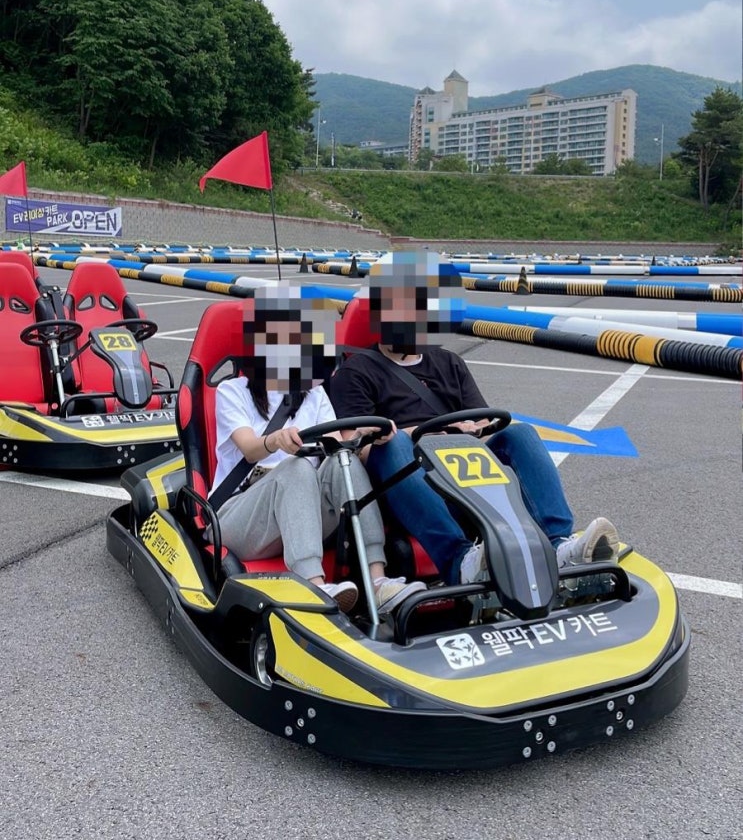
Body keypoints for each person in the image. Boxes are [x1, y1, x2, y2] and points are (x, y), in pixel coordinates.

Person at [327, 252, 619, 613]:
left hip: (465, 471)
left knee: (521, 434)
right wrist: (421, 434)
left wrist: (469, 430)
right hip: (407, 480)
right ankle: (460, 560)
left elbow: (483, 422)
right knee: (394, 443)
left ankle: (559, 544)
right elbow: (356, 447)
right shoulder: (356, 372)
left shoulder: (449, 363)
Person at [210, 287, 422, 615]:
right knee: (296, 467)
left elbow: (337, 443)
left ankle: (378, 582)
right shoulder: (232, 391)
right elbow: (250, 450)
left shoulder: (314, 395)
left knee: (344, 461)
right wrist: (275, 441)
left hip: (300, 513)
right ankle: (314, 585)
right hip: (241, 514)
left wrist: (365, 435)